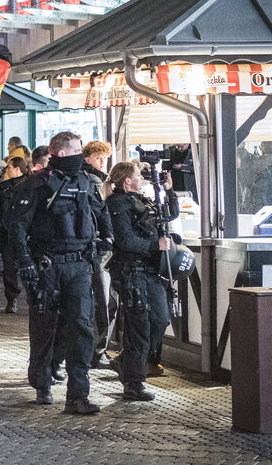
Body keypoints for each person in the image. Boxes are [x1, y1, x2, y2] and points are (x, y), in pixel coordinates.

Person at [5, 131, 112, 414]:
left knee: (81, 328)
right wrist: (26, 264)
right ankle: (42, 382)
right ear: (63, 154)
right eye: (77, 150)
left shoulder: (86, 182)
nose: (82, 155)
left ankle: (78, 395)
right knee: (44, 327)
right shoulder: (36, 184)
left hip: (79, 265)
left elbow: (101, 214)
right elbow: (16, 228)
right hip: (46, 265)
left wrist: (105, 241)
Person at [105, 162, 178, 401]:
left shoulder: (143, 199)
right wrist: (153, 245)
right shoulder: (117, 204)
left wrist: (167, 191)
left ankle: (125, 362)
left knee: (160, 319)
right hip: (132, 271)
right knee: (139, 326)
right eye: (138, 175)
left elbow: (169, 216)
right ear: (127, 180)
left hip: (150, 270)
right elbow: (124, 240)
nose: (142, 178)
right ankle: (134, 383)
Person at [82, 141, 114, 368]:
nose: (103, 161)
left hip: (95, 248)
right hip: (96, 251)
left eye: (104, 158)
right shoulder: (95, 182)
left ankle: (95, 350)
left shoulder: (100, 181)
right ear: (88, 159)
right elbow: (101, 214)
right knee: (102, 302)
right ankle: (96, 351)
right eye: (98, 157)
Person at [0, 156, 28, 313]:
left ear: (17, 169)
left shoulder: (30, 186)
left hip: (23, 233)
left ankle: (24, 299)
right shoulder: (4, 187)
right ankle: (11, 299)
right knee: (9, 268)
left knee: (23, 267)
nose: (7, 171)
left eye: (9, 168)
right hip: (8, 233)